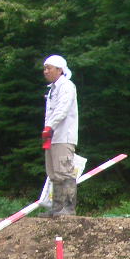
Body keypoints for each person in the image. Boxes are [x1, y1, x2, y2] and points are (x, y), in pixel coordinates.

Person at [41, 54, 80, 215]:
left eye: (48, 68)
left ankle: (68, 208)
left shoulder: (67, 86)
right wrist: (48, 130)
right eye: (44, 68)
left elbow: (62, 109)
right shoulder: (52, 89)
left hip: (64, 136)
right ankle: (56, 207)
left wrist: (49, 126)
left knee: (64, 171)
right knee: (53, 173)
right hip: (53, 136)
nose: (45, 71)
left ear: (59, 69)